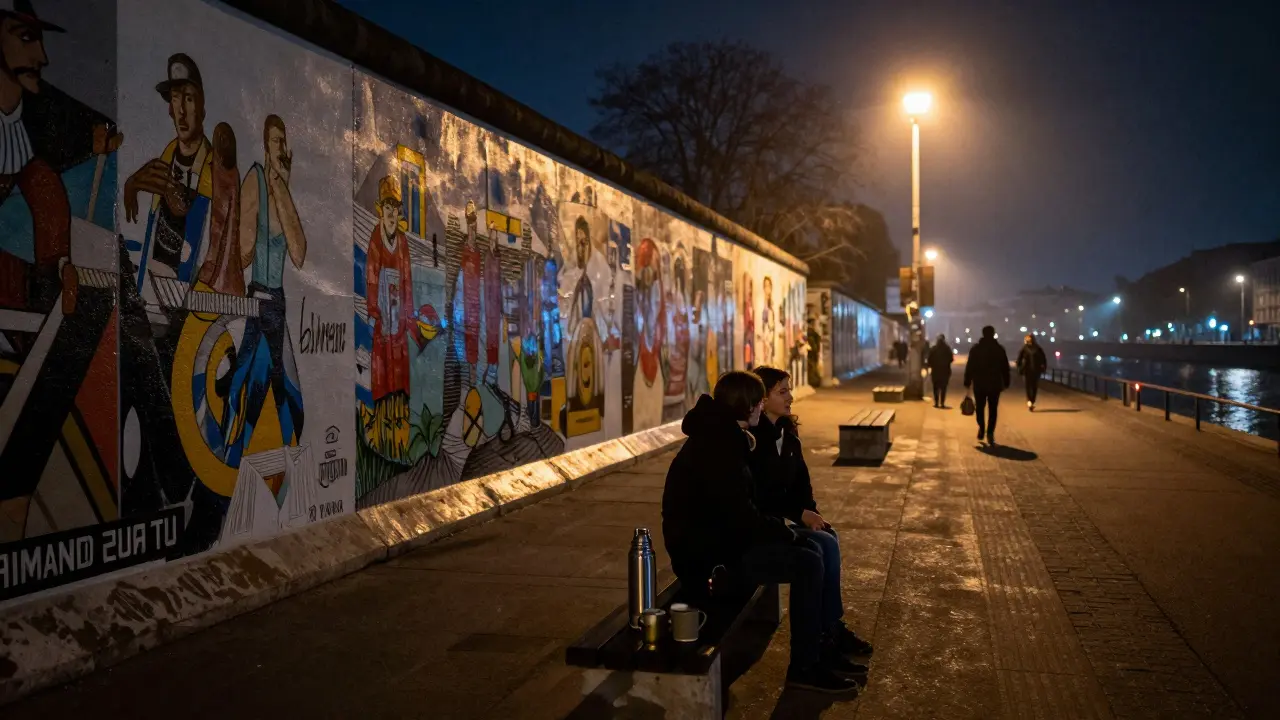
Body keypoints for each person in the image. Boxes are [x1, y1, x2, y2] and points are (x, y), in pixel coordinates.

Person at [662, 371, 859, 693]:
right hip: (710, 561)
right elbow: (740, 517)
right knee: (808, 561)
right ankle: (806, 666)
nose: (760, 408)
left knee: (814, 550)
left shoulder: (723, 436)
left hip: (723, 544)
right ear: (749, 406)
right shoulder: (718, 447)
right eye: (758, 402)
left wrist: (787, 529)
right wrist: (787, 534)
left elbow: (744, 511)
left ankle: (823, 646)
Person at [747, 367, 874, 673]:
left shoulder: (787, 434)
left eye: (789, 389)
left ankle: (831, 628)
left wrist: (812, 514)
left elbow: (802, 486)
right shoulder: (752, 439)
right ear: (761, 400)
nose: (791, 396)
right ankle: (822, 639)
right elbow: (756, 496)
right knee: (818, 551)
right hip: (759, 528)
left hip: (776, 523)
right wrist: (798, 514)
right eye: (782, 391)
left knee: (828, 537)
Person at [963, 326, 1010, 445]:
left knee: (979, 407)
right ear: (993, 334)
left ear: (983, 334)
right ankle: (990, 432)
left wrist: (967, 380)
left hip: (980, 383)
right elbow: (1005, 367)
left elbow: (970, 366)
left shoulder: (976, 349)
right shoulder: (999, 349)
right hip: (995, 383)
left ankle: (981, 427)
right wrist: (1006, 381)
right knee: (993, 409)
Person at [1016, 334, 1048, 410]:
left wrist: (1019, 368)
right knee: (1031, 387)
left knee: (1030, 387)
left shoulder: (1026, 349)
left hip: (1030, 371)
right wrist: (1043, 368)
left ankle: (1030, 401)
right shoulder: (1037, 349)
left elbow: (1019, 360)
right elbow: (1044, 360)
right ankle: (1031, 401)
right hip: (1032, 371)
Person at [927, 335, 954, 408]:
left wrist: (931, 365)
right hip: (945, 371)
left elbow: (929, 360)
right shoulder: (947, 349)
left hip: (935, 371)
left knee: (935, 387)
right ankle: (942, 403)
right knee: (943, 388)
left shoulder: (933, 349)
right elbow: (951, 359)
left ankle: (936, 402)